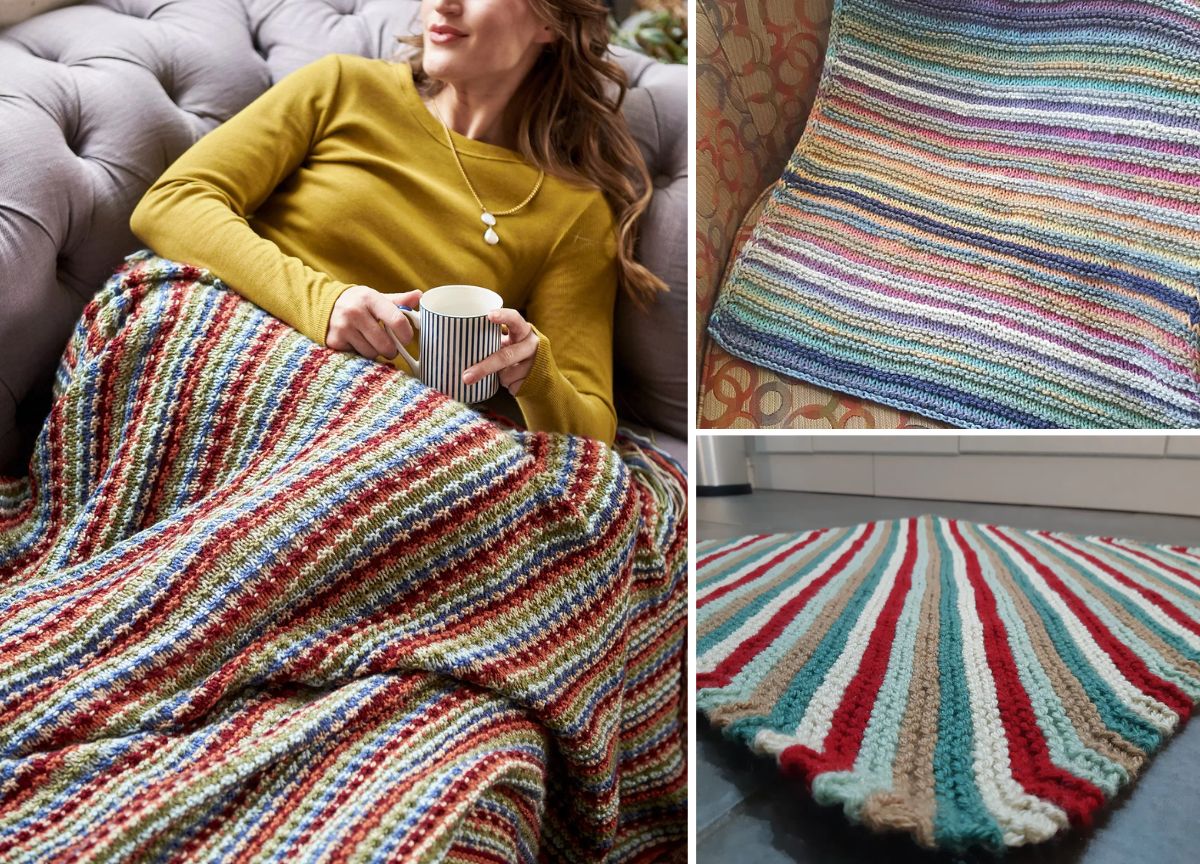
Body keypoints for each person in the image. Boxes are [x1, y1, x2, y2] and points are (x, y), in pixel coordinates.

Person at [130, 0, 664, 443]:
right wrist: (324, 303)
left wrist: (536, 375)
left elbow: (591, 434)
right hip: (226, 337)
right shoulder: (344, 85)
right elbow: (173, 202)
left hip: (368, 429)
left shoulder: (571, 210)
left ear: (550, 21)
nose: (444, 4)